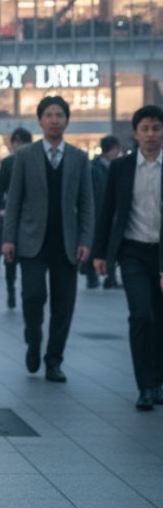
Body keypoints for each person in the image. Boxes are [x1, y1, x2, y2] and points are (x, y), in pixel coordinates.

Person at [1, 96, 94, 383]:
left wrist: (85, 240)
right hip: (31, 242)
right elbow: (14, 200)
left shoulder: (79, 158)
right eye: (49, 115)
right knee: (33, 296)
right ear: (40, 120)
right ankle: (33, 338)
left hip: (66, 243)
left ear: (67, 120)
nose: (54, 120)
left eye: (59, 115)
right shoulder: (25, 156)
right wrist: (8, 238)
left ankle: (54, 361)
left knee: (63, 305)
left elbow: (87, 203)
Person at [92, 106, 163, 411]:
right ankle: (145, 386)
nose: (151, 134)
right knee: (141, 315)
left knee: (159, 320)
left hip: (161, 254)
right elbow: (107, 211)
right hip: (132, 252)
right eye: (145, 128)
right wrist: (99, 253)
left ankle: (158, 382)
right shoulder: (121, 168)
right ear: (135, 133)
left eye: (156, 128)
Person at [0, 128, 33, 309]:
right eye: (16, 143)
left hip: (30, 218)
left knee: (28, 258)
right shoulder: (9, 162)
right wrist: (1, 209)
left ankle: (25, 291)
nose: (18, 146)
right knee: (10, 257)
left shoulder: (36, 161)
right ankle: (11, 289)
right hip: (12, 216)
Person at [87, 136, 123, 289]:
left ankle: (111, 278)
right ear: (109, 150)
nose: (117, 152)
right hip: (98, 212)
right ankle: (92, 276)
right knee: (95, 244)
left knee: (113, 244)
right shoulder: (94, 168)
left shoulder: (118, 166)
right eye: (115, 149)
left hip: (114, 212)